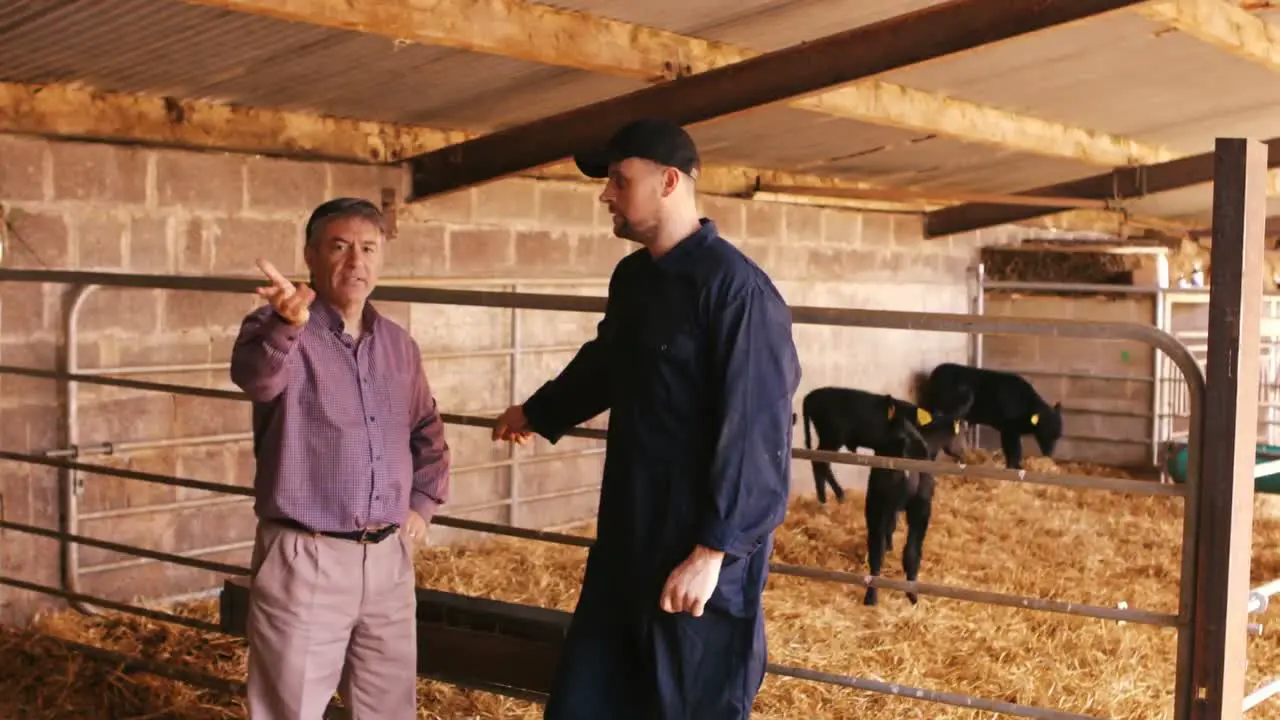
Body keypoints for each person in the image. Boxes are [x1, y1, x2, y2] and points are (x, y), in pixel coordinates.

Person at [492, 118, 802, 719]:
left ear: (667, 182)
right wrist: (539, 410)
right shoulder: (634, 279)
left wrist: (713, 552)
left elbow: (757, 436)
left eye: (617, 179)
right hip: (629, 533)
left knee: (686, 706)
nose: (605, 194)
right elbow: (609, 362)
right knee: (592, 700)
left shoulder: (739, 295)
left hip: (697, 554)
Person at [230, 197, 451, 719]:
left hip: (387, 558)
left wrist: (422, 502)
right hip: (308, 554)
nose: (356, 262)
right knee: (292, 708)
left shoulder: (398, 345)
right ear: (310, 254)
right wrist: (286, 324)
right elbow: (256, 378)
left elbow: (426, 429)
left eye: (368, 248)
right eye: (340, 246)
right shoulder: (275, 329)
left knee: (389, 709)